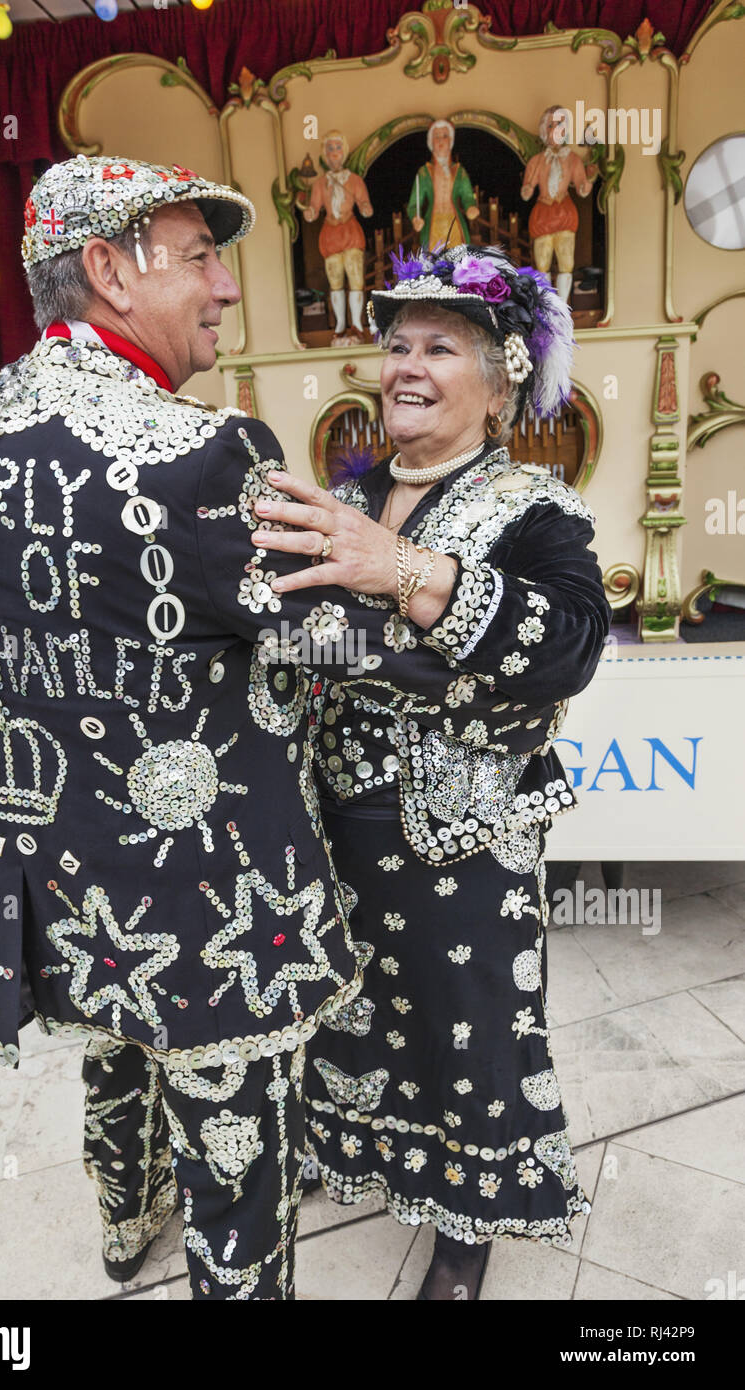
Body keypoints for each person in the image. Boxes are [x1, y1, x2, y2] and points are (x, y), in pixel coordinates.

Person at [0, 155, 518, 1301]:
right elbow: (323, 641)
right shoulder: (201, 455)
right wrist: (439, 605)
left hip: (58, 869)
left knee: (112, 1046)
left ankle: (125, 1223)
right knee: (231, 1136)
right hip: (207, 900)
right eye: (196, 256)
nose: (224, 286)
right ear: (106, 272)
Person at [247, 243, 612, 1300]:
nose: (405, 364)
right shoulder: (352, 492)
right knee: (350, 1009)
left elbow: (568, 648)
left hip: (460, 831)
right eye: (395, 344)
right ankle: (364, 1153)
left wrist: (400, 571)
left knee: (470, 1023)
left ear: (498, 385)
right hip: (333, 819)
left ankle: (466, 1228)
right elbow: (311, 637)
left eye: (438, 347)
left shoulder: (533, 508)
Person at [521, 104, 598, 302]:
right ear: (544, 130)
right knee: (542, 262)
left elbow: (582, 188)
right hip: (543, 214)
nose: (555, 129)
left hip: (564, 213)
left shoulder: (572, 160)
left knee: (566, 262)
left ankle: (562, 304)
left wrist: (589, 178)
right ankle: (547, 304)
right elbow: (526, 192)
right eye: (550, 125)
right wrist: (527, 189)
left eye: (559, 125)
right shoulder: (536, 161)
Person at [303, 130, 373, 341]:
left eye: (338, 147)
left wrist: (366, 207)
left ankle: (357, 324)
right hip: (331, 235)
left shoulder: (354, 180)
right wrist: (310, 212)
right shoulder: (319, 183)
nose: (334, 152)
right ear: (325, 154)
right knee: (335, 282)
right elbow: (314, 208)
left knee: (356, 280)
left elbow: (363, 203)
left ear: (344, 151)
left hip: (350, 232)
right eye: (330, 148)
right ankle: (341, 324)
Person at [408, 118, 480, 250]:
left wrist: (470, 207)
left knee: (458, 263)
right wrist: (415, 218)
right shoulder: (424, 172)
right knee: (433, 264)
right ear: (431, 142)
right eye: (436, 136)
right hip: (433, 224)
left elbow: (467, 196)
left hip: (455, 224)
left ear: (451, 141)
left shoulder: (459, 171)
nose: (441, 140)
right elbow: (413, 204)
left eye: (445, 136)